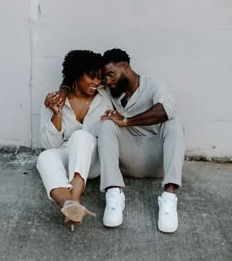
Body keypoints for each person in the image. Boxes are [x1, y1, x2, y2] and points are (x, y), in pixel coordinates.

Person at [45, 48, 184, 234]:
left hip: (156, 159)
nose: (108, 81)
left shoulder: (154, 85)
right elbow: (76, 78)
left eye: (111, 75)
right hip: (126, 160)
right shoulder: (111, 90)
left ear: (125, 66)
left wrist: (126, 121)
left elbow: (166, 109)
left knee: (174, 122)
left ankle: (169, 197)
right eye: (105, 78)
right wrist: (62, 91)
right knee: (108, 124)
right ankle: (113, 194)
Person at [37, 50, 112, 231]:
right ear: (76, 77)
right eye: (91, 77)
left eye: (98, 77)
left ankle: (76, 197)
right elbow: (49, 145)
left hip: (94, 159)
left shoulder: (106, 96)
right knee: (44, 157)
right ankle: (69, 204)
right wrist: (57, 114)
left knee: (80, 136)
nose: (96, 82)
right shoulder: (56, 101)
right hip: (66, 154)